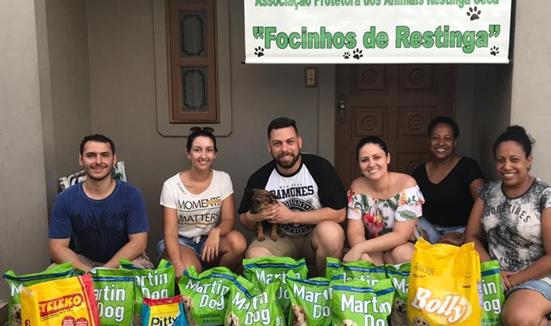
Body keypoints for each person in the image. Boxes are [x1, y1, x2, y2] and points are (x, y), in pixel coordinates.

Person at [463, 125, 551, 326]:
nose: (507, 166)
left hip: (542, 276)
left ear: (528, 160)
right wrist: (493, 270)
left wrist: (513, 280)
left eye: (514, 160)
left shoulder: (548, 197)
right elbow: (470, 236)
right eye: (501, 160)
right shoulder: (488, 192)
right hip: (496, 273)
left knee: (520, 319)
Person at [238, 117, 346, 278]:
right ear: (269, 147)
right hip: (279, 239)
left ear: (299, 142)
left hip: (314, 236)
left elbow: (339, 213)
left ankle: (326, 286)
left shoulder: (320, 167)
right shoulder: (260, 177)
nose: (284, 149)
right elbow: (244, 220)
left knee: (332, 233)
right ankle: (281, 296)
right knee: (256, 256)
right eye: (277, 143)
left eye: (290, 142)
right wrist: (255, 216)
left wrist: (292, 216)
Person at [49, 134, 153, 272]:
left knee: (140, 279)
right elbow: (57, 248)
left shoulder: (131, 195)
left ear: (114, 159)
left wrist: (104, 272)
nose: (98, 161)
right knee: (53, 272)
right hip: (83, 261)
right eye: (91, 155)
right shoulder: (65, 198)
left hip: (126, 260)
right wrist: (88, 272)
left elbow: (138, 243)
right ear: (81, 159)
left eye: (105, 155)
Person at [157, 127, 247, 278]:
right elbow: (170, 231)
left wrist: (216, 231)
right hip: (180, 241)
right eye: (197, 150)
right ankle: (184, 266)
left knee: (237, 242)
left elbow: (229, 220)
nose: (203, 155)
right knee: (191, 272)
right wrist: (177, 262)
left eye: (209, 150)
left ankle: (217, 281)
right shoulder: (171, 185)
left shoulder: (222, 179)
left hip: (209, 240)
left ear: (215, 154)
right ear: (188, 154)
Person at [345, 136, 424, 265]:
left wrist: (359, 248)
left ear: (388, 158)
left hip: (406, 245)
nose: (371, 164)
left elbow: (401, 235)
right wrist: (364, 256)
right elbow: (355, 232)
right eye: (365, 160)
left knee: (401, 255)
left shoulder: (407, 184)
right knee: (368, 262)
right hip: (373, 247)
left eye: (377, 157)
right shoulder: (357, 187)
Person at [412, 116, 485, 246]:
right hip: (429, 229)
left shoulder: (468, 166)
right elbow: (411, 208)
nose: (441, 143)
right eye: (436, 138)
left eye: (447, 138)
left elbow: (484, 204)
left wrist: (464, 236)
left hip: (461, 230)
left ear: (455, 142)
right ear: (429, 141)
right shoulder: (420, 172)